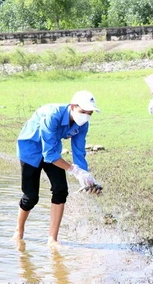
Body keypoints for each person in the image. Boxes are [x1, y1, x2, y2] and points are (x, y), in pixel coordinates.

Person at [13, 90, 101, 247]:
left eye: (90, 113)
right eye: (83, 111)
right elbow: (49, 155)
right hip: (30, 149)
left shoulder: (82, 124)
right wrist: (75, 170)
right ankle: (19, 231)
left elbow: (79, 152)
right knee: (31, 196)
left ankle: (52, 239)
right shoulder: (53, 115)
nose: (86, 116)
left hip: (52, 148)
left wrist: (85, 175)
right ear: (73, 106)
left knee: (61, 190)